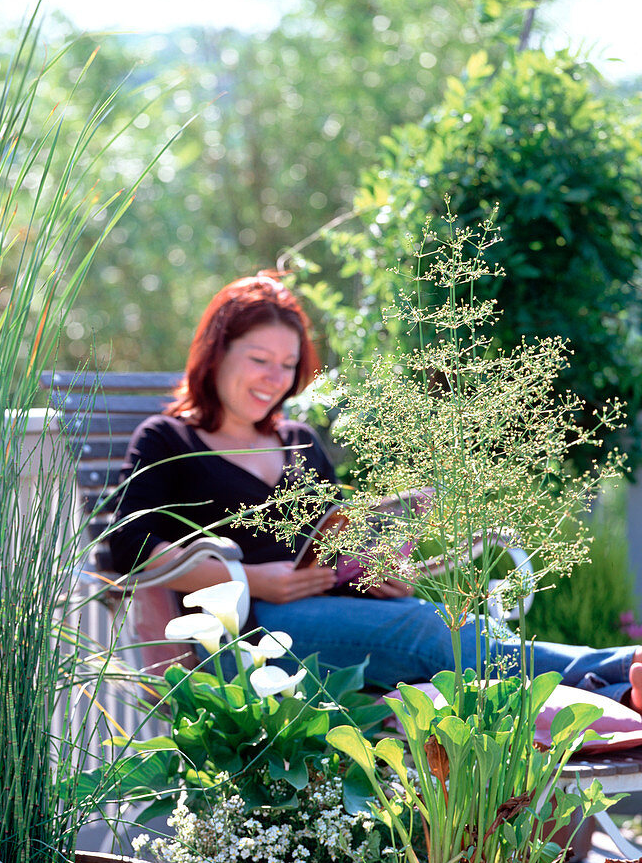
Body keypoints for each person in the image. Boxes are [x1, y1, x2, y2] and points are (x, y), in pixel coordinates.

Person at [108, 271, 642, 710]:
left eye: (288, 365)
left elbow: (332, 536)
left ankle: (617, 690)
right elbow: (129, 546)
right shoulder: (170, 438)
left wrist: (377, 571)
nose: (275, 378)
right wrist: (248, 580)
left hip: (336, 615)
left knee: (449, 628)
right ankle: (619, 674)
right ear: (217, 353)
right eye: (258, 359)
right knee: (428, 633)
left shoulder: (298, 441)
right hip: (246, 636)